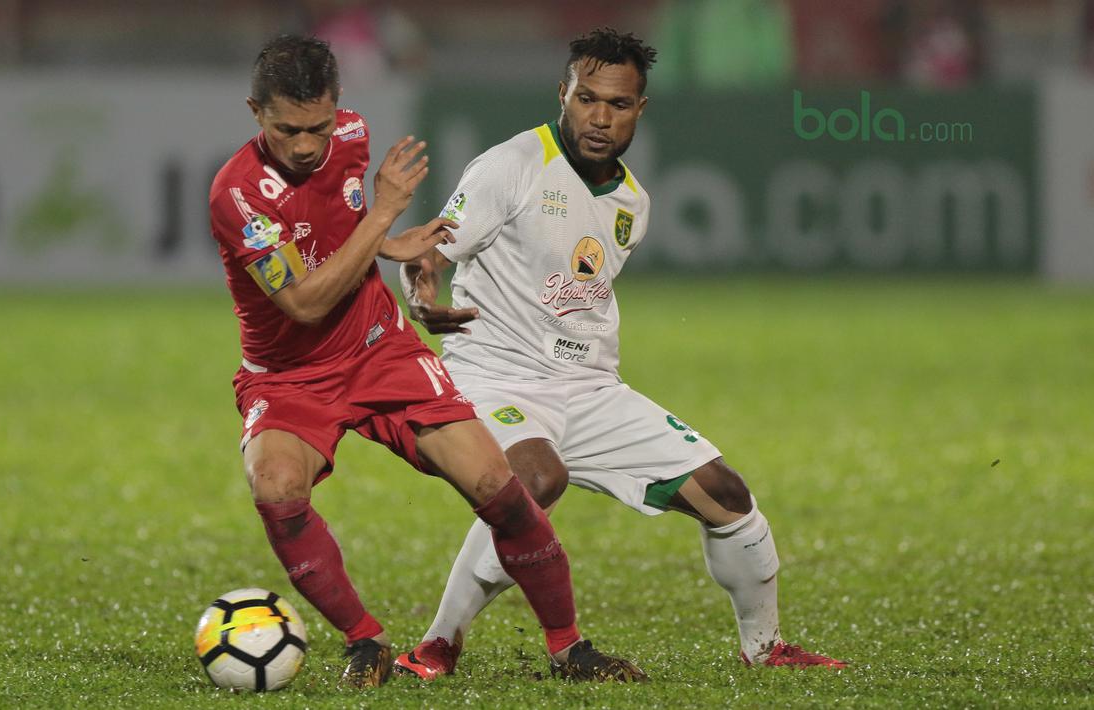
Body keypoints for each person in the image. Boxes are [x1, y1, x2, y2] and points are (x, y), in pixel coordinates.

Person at [395, 28, 847, 679]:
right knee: (533, 484)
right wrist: (422, 291)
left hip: (589, 388)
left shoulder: (631, 200)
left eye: (617, 104)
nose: (598, 117)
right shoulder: (512, 164)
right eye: (586, 99)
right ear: (563, 93)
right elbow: (433, 246)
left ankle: (765, 647)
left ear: (640, 109)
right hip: (496, 379)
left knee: (726, 496)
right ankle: (438, 644)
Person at [207, 34, 644, 689]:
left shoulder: (352, 137)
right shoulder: (237, 194)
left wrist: (386, 242)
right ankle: (365, 643)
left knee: (498, 487)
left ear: (338, 108)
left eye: (317, 126)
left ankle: (568, 647)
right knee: (274, 485)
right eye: (286, 129)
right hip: (289, 375)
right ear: (253, 112)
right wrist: (385, 210)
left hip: (379, 350)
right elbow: (301, 301)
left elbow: (332, 230)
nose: (305, 145)